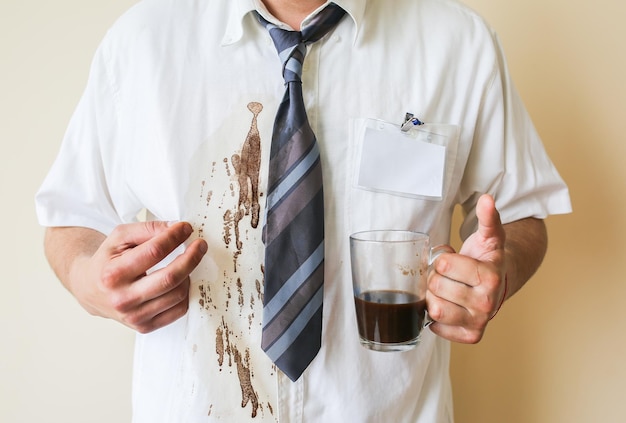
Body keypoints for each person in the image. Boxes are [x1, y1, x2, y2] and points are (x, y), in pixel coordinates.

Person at [35, 0, 571, 421]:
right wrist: (90, 280)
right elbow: (74, 216)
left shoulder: (460, 44)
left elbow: (522, 213)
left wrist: (496, 276)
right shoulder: (140, 43)